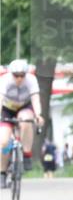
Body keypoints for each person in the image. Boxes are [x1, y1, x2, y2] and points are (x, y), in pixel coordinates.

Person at [1, 59, 44, 189]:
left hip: (24, 107)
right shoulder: (5, 79)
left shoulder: (31, 79)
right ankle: (2, 173)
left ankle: (26, 154)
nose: (19, 78)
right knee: (3, 142)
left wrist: (38, 115)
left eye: (22, 75)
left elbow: (35, 99)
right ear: (11, 74)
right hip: (7, 109)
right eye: (16, 75)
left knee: (26, 120)